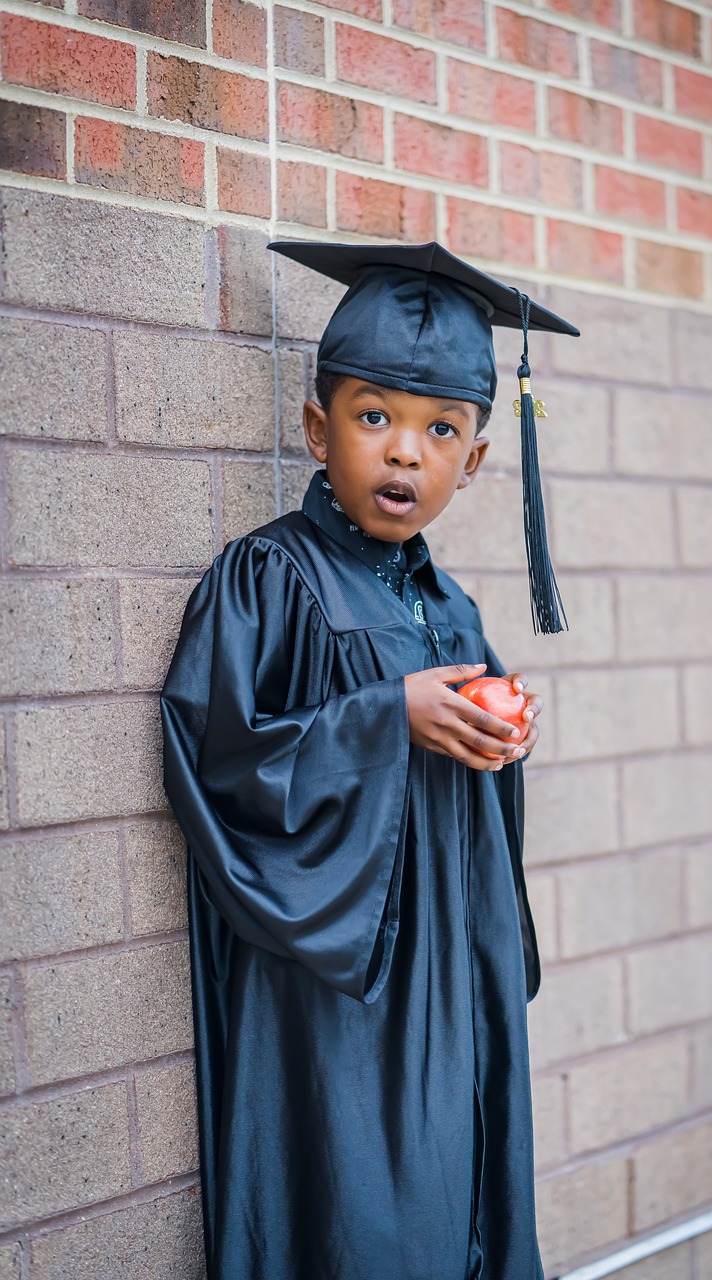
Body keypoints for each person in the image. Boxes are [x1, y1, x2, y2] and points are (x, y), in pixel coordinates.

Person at [159, 241, 579, 1280]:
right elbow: (220, 759)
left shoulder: (453, 606)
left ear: (475, 461)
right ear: (318, 427)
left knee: (462, 1198)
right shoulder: (267, 579)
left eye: (441, 429)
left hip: (450, 967)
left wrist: (495, 738)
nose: (405, 453)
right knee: (364, 1218)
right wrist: (384, 714)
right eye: (374, 416)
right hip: (340, 982)